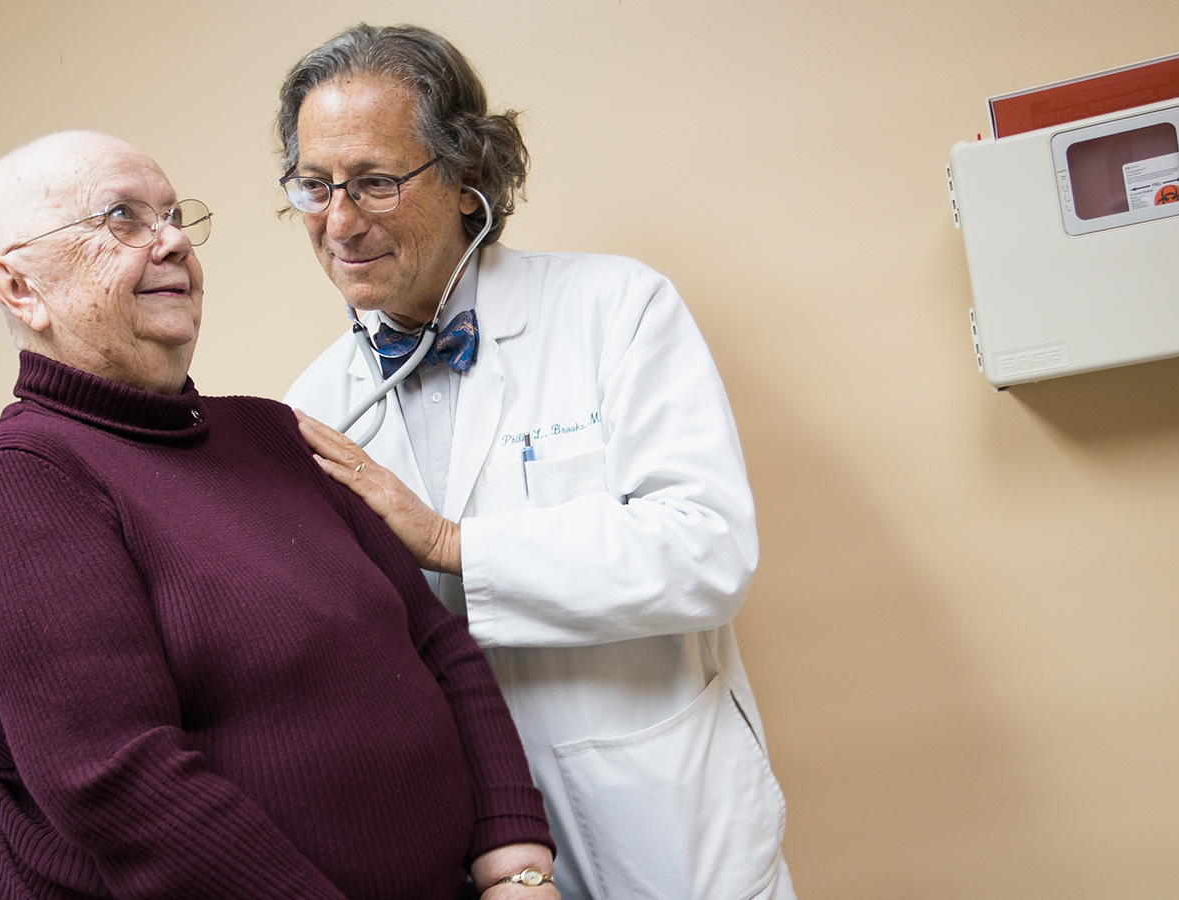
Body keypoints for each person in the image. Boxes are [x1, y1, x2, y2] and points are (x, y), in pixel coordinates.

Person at [0, 130, 558, 900]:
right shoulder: (25, 477)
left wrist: (516, 864)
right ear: (20, 288)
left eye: (172, 215)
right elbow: (118, 779)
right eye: (122, 219)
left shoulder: (272, 431)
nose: (171, 241)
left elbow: (438, 648)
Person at [279, 25, 795, 900]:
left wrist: (450, 542)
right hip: (476, 848)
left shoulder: (615, 309)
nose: (338, 222)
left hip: (665, 817)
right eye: (313, 186)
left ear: (466, 180)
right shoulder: (317, 408)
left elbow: (707, 552)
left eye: (374, 182)